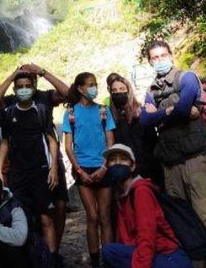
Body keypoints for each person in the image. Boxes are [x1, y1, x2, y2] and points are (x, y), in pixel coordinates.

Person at [140, 40, 206, 268]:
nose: (160, 61)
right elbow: (145, 121)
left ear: (171, 55)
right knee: (183, 220)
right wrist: (168, 111)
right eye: (154, 58)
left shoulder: (186, 77)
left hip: (195, 159)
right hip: (170, 163)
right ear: (149, 62)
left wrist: (159, 113)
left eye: (163, 55)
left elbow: (184, 107)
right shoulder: (151, 90)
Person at [0, 63, 71, 257]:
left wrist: (42, 71)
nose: (24, 89)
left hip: (45, 163)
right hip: (19, 167)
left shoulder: (43, 98)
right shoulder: (10, 105)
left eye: (28, 85)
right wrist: (11, 76)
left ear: (33, 84)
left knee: (56, 208)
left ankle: (53, 256)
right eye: (20, 86)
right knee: (23, 213)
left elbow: (67, 94)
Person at [100, 144, 191, 268]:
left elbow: (147, 236)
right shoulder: (121, 195)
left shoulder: (141, 191)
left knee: (110, 252)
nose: (117, 163)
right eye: (113, 160)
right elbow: (124, 238)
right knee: (110, 252)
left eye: (123, 159)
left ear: (132, 166)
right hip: (152, 255)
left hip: (168, 257)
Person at [63, 72, 116, 267]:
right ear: (80, 88)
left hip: (103, 166)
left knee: (105, 216)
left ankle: (110, 258)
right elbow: (68, 146)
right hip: (83, 167)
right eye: (90, 85)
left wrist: (104, 166)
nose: (94, 88)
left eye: (95, 84)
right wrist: (79, 171)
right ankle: (95, 260)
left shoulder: (103, 110)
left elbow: (111, 142)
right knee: (92, 216)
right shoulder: (71, 113)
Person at [106, 74, 159, 184]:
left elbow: (152, 142)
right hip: (125, 171)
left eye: (121, 89)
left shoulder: (141, 113)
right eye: (114, 90)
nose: (118, 92)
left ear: (128, 90)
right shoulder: (111, 117)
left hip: (147, 169)